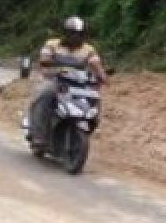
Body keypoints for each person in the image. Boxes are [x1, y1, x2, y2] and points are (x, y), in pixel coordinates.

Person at [28, 16, 108, 147]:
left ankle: (90, 123)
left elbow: (96, 65)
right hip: (54, 79)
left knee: (94, 97)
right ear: (65, 33)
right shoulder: (52, 44)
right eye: (72, 34)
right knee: (45, 93)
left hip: (78, 83)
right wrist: (52, 67)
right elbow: (44, 61)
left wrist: (103, 77)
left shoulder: (88, 49)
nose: (76, 37)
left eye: (79, 34)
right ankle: (39, 135)